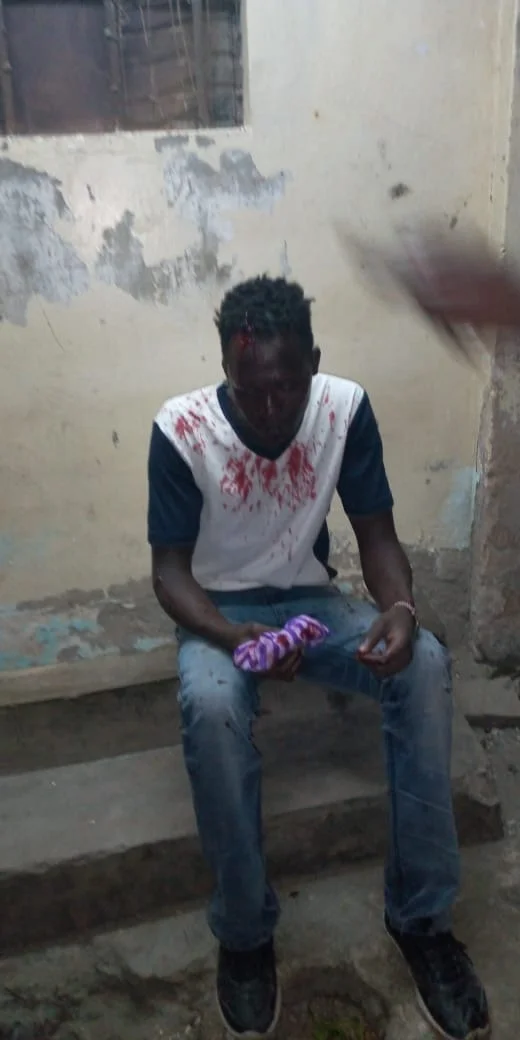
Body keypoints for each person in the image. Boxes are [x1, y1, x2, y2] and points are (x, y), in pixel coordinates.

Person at [147, 276, 489, 1040]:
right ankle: (245, 936)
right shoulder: (181, 429)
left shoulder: (343, 409)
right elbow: (169, 574)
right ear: (225, 370)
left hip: (310, 601)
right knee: (211, 706)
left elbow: (377, 534)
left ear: (315, 362)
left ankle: (423, 921)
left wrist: (401, 610)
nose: (271, 408)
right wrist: (233, 638)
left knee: (426, 665)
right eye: (250, 391)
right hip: (219, 612)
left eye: (287, 388)